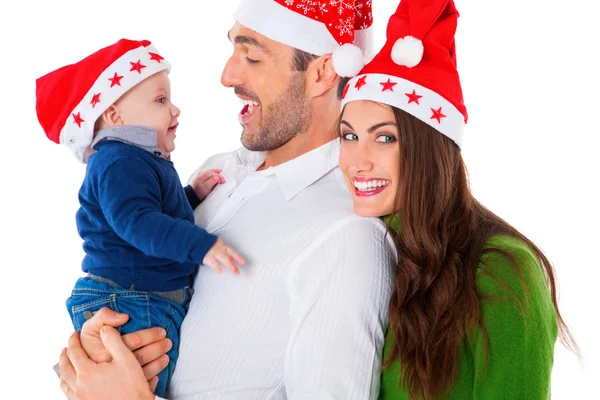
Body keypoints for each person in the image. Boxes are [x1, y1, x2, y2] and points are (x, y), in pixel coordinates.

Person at [58, 1, 398, 399]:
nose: (226, 75)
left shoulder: (344, 236)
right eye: (233, 49)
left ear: (322, 72)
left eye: (251, 55)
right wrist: (88, 365)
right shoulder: (220, 173)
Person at [338, 0, 577, 398]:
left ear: (429, 148)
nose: (356, 162)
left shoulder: (501, 270)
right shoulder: (363, 249)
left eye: (384, 138)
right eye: (348, 136)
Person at [36, 38, 245, 398]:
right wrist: (202, 246)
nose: (175, 110)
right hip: (131, 300)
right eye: (160, 100)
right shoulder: (119, 159)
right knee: (147, 384)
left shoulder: (133, 159)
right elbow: (136, 222)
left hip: (134, 296)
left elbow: (151, 210)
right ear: (115, 116)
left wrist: (191, 194)